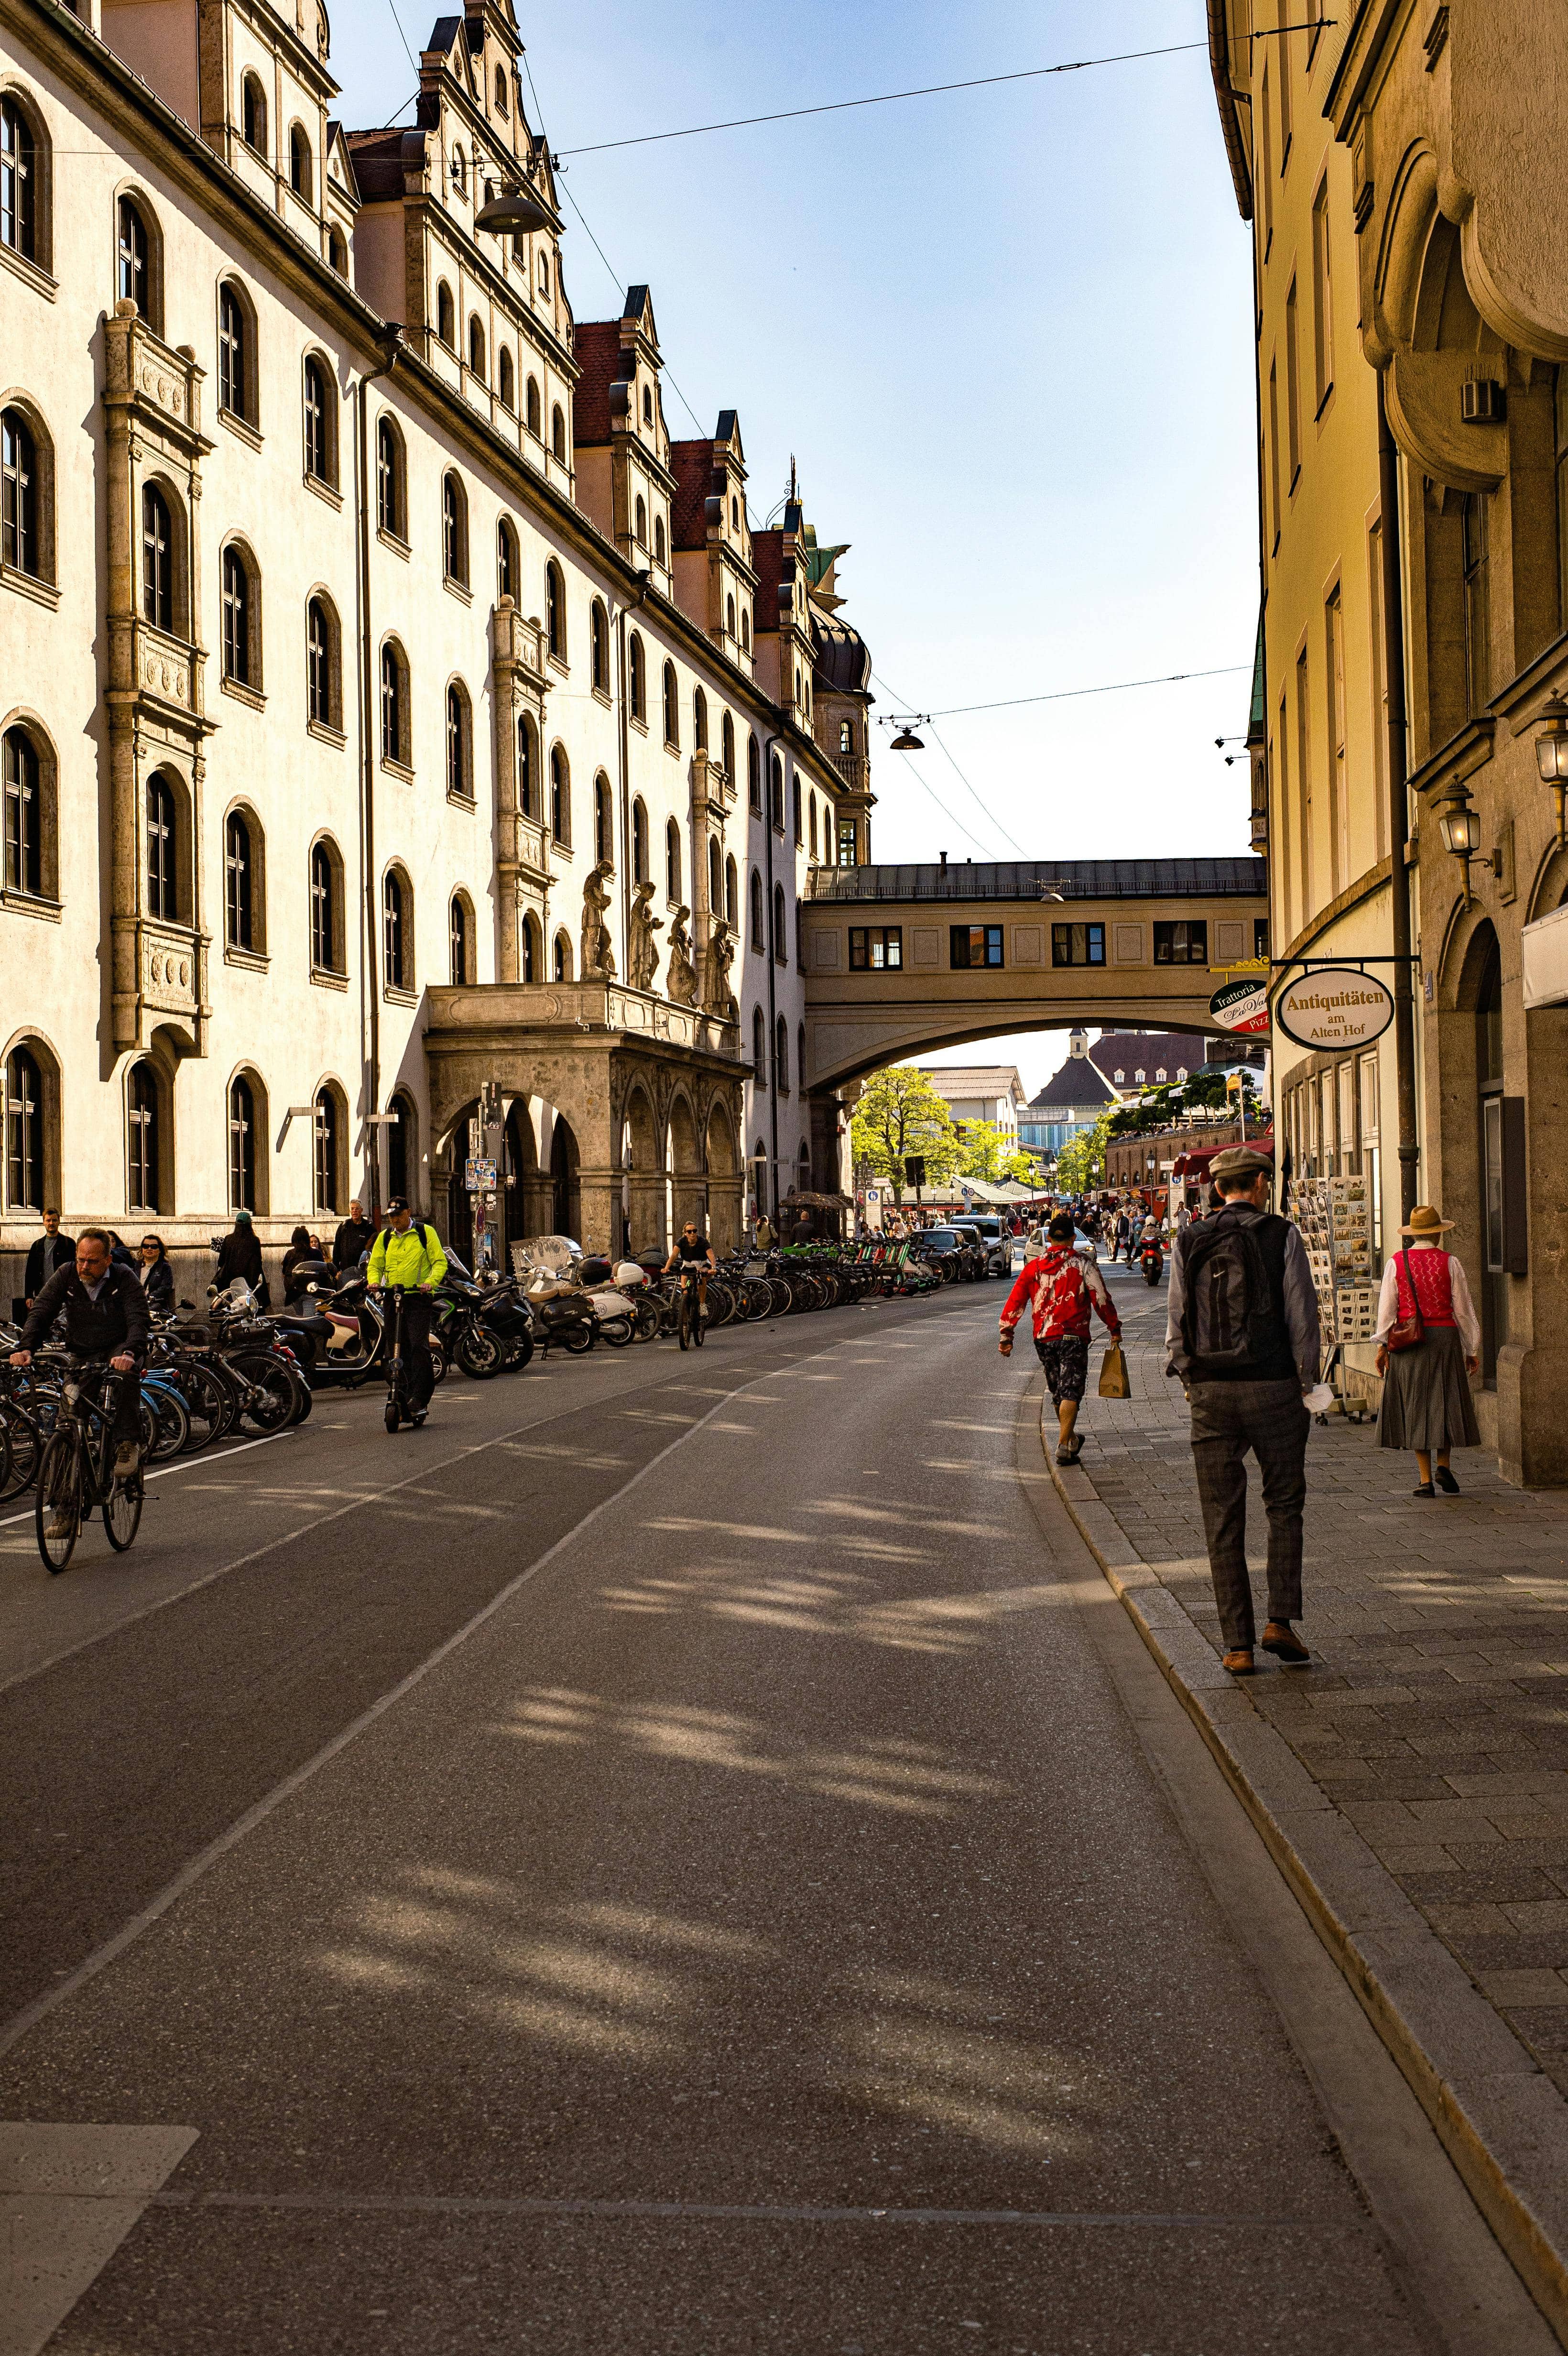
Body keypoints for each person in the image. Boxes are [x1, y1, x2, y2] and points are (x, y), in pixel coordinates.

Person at [1166, 1146, 1320, 1679]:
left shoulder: (1189, 1238)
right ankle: (1279, 1620)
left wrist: (1192, 1380)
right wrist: (1308, 1384)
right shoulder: (1282, 1234)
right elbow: (1302, 1314)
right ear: (1258, 1183)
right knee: (1284, 1504)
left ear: (1215, 1189)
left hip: (1212, 1393)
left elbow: (1177, 1319)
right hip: (1274, 1385)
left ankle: (1237, 1645)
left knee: (1221, 1518)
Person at [10, 1227, 151, 1503]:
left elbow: (138, 1320)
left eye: (93, 1261)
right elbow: (42, 1310)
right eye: (81, 1260)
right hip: (84, 1352)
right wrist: (26, 1346)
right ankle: (64, 1509)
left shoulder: (125, 1277)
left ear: (108, 1260)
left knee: (125, 1378)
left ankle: (127, 1443)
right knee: (68, 1422)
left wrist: (131, 1353)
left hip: (120, 1348)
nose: (84, 1266)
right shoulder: (66, 1273)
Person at [999, 1210, 1122, 1466]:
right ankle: (1063, 1445)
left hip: (1044, 1338)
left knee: (1058, 1391)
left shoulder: (1034, 1267)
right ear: (1071, 1238)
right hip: (1074, 1335)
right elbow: (1101, 1298)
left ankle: (1071, 1439)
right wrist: (1114, 1328)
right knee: (1071, 1391)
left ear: (1051, 1239)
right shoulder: (1083, 1265)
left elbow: (1016, 1301)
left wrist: (1006, 1334)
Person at [1374, 1204, 1481, 1495]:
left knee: (1416, 1403)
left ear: (1413, 1235)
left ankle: (1425, 1481)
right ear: (1437, 1234)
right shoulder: (1451, 1262)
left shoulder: (1396, 1262)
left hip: (1409, 1341)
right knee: (1446, 1399)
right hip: (1445, 1338)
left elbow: (1388, 1310)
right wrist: (1472, 1348)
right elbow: (1463, 1308)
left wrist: (1383, 1346)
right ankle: (1444, 1466)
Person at [366, 1197, 447, 1426]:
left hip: (417, 1298)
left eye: (398, 1216)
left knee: (418, 1346)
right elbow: (375, 1265)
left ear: (408, 1213)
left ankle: (420, 1396)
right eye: (391, 1216)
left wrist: (430, 1282)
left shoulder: (425, 1232)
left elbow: (439, 1262)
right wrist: (374, 1281)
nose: (395, 1220)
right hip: (393, 1297)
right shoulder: (385, 1237)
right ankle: (400, 1391)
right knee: (394, 1347)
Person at [24, 1210, 76, 1311]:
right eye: (48, 1220)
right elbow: (30, 1272)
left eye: (54, 1220)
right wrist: (29, 1296)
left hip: (64, 1295)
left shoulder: (68, 1243)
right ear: (44, 1222)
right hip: (42, 1293)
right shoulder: (37, 1246)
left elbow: (74, 1270)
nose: (51, 1223)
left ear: (59, 1222)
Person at [213, 1208, 267, 1303]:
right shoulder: (254, 1241)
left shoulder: (229, 1239)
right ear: (249, 1225)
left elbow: (221, 1262)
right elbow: (258, 1262)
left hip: (230, 1283)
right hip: (249, 1283)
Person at [665, 1220, 717, 1313]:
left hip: (702, 1265)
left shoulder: (703, 1241)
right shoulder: (681, 1242)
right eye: (689, 1232)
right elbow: (674, 1256)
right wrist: (666, 1268)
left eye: (695, 1231)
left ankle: (702, 1304)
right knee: (684, 1290)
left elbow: (711, 1255)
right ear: (685, 1233)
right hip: (688, 1266)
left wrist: (713, 1267)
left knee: (701, 1278)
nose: (692, 1233)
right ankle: (685, 1318)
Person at [282, 1224, 322, 1303]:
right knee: (311, 1315)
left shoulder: (290, 1254)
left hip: (294, 1292)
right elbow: (323, 1270)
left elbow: (284, 1273)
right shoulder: (316, 1253)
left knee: (298, 1315)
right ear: (307, 1238)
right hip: (311, 1290)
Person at [333, 1201, 375, 1273]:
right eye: (352, 1209)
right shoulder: (344, 1226)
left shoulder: (369, 1227)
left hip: (363, 1271)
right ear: (350, 1211)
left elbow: (374, 1249)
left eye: (357, 1209)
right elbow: (337, 1248)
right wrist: (336, 1269)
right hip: (345, 1270)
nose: (354, 1211)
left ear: (361, 1210)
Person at [137, 1233, 174, 1310]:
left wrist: (146, 1298)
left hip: (155, 1308)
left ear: (160, 1250)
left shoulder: (164, 1267)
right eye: (146, 1246)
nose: (149, 1249)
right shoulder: (136, 1266)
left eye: (154, 1247)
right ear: (142, 1249)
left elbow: (165, 1288)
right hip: (136, 1306)